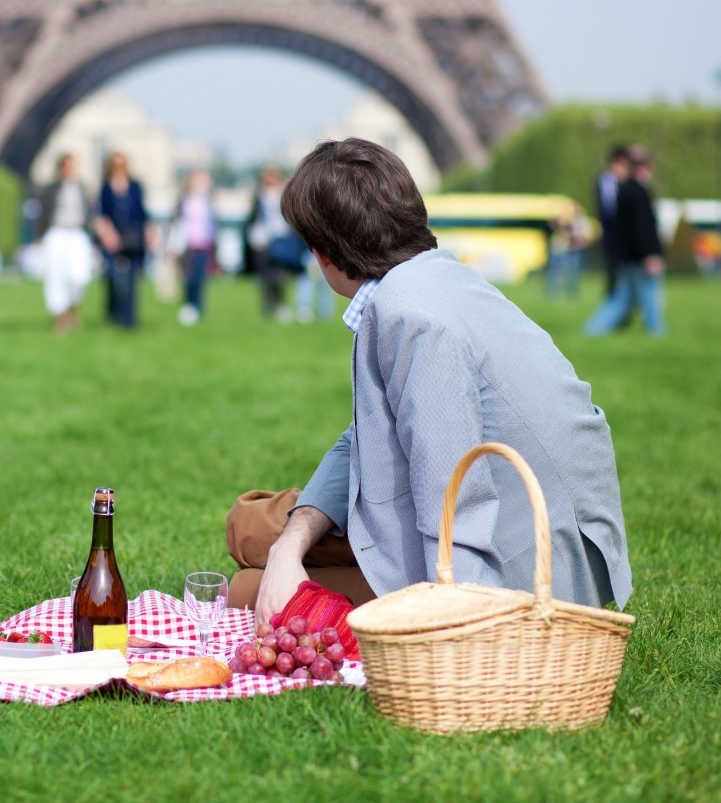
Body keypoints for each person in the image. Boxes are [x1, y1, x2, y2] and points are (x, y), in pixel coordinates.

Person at [225, 138, 633, 626]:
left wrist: (457, 624)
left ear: (323, 254)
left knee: (245, 585)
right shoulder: (438, 281)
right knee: (251, 530)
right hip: (537, 532)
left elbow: (456, 492)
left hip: (506, 575)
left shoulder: (413, 317)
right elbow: (374, 438)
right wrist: (291, 545)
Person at [584, 149, 665, 336]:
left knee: (621, 299)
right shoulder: (638, 192)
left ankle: (592, 330)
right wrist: (649, 254)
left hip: (628, 256)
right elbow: (643, 228)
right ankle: (657, 332)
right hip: (640, 256)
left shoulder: (624, 191)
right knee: (649, 296)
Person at [36, 153, 95, 333]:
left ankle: (72, 308)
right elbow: (42, 213)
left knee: (79, 275)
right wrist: (40, 237)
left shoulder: (82, 188)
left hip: (77, 233)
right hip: (57, 233)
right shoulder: (51, 189)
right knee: (56, 276)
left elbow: (90, 215)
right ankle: (60, 317)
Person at [94, 151, 154, 329]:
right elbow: (102, 213)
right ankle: (113, 313)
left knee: (132, 280)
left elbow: (142, 212)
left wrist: (149, 232)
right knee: (114, 278)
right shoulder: (105, 187)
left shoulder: (135, 186)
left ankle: (129, 320)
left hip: (133, 238)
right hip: (112, 237)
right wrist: (107, 234)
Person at [243, 166, 301, 321]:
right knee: (265, 277)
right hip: (262, 241)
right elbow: (253, 218)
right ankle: (267, 308)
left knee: (280, 275)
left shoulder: (283, 194)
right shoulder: (259, 195)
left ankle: (281, 305)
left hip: (280, 238)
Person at [172, 170, 218, 326]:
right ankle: (189, 306)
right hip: (188, 246)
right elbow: (177, 223)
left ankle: (198, 308)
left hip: (204, 245)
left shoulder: (208, 201)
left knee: (200, 279)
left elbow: (212, 225)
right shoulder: (185, 200)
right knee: (189, 279)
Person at [595, 146, 630, 297]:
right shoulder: (606, 181)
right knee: (613, 273)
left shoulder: (629, 183)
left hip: (625, 236)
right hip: (612, 236)